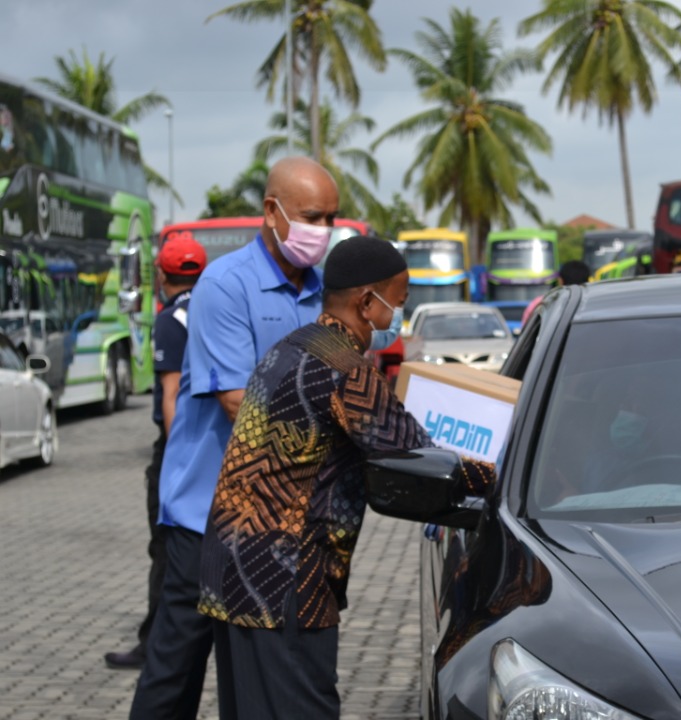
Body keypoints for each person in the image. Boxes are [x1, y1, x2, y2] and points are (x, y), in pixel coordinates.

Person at [198, 236, 495, 720]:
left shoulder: (288, 349)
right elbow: (415, 456)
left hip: (230, 567)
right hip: (282, 579)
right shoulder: (346, 370)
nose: (395, 318)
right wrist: (504, 476)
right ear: (365, 302)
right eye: (397, 304)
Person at [129, 156, 337, 720]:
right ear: (272, 212)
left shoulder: (324, 290)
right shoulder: (226, 285)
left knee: (256, 679)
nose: (323, 231)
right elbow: (238, 405)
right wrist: (343, 430)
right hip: (206, 517)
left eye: (332, 218)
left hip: (275, 520)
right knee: (175, 671)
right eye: (312, 216)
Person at [105, 235, 207, 671]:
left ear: (162, 276)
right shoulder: (213, 309)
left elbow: (170, 395)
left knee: (165, 547)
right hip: (213, 445)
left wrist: (174, 458)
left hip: (180, 448)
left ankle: (155, 645)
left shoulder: (171, 319)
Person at [521, 259, 591, 326]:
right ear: (588, 280)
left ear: (561, 281)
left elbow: (526, 327)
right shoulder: (594, 304)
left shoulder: (542, 303)